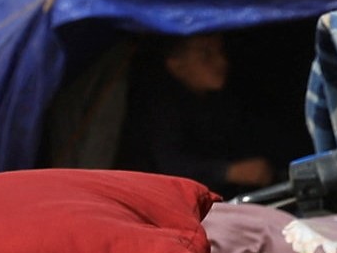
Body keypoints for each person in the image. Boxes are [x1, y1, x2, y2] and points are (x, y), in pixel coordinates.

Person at [114, 32, 273, 192]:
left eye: (221, 52)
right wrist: (229, 172)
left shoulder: (220, 102)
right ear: (176, 65)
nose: (221, 61)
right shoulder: (160, 109)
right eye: (206, 55)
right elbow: (172, 166)